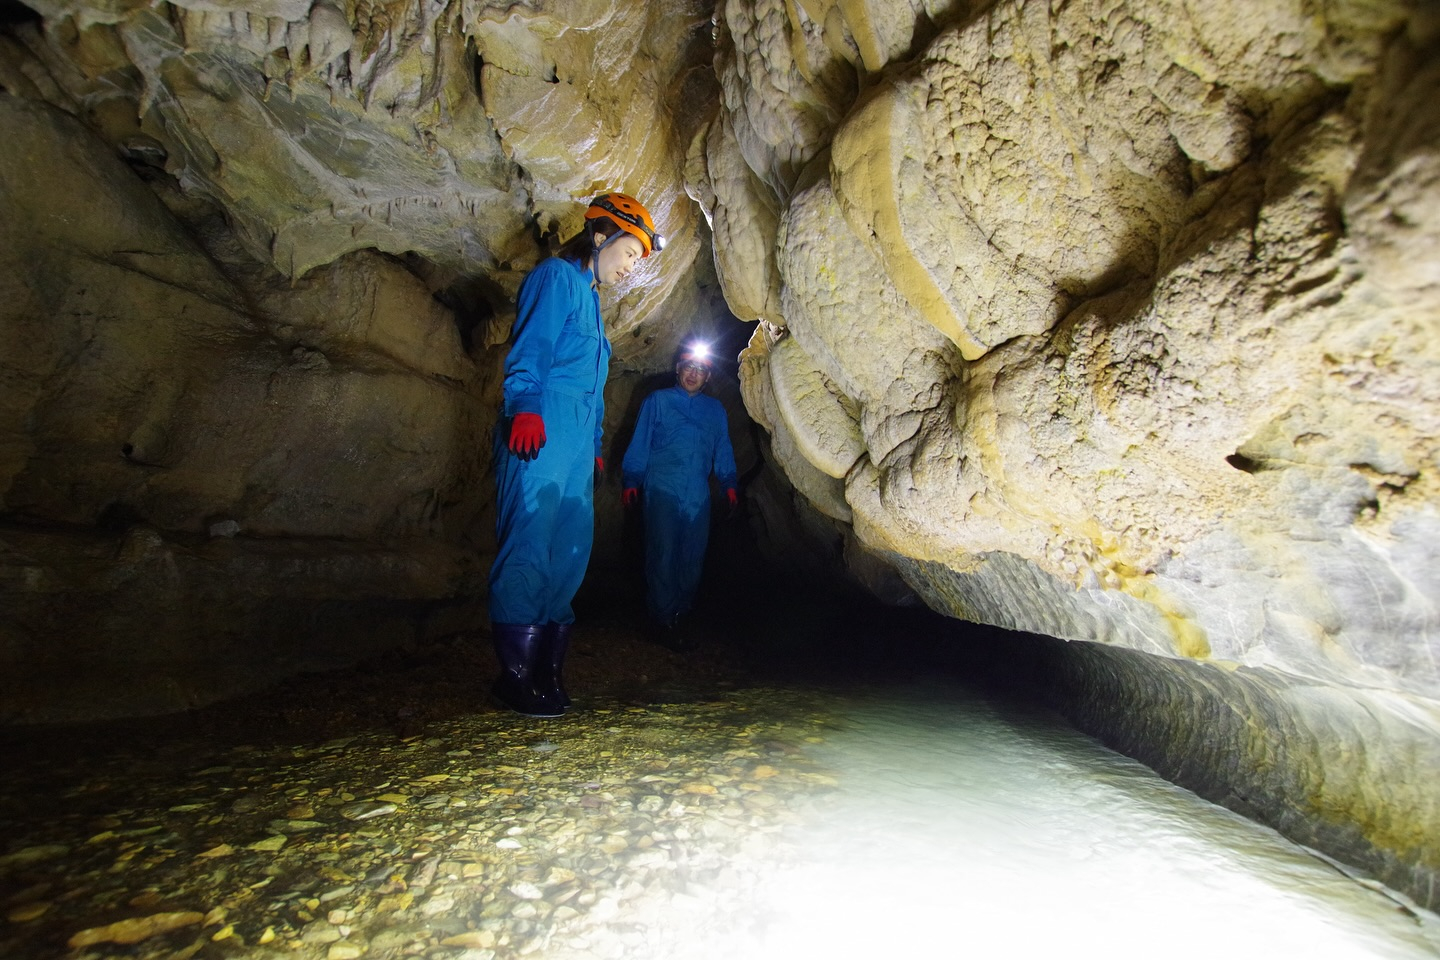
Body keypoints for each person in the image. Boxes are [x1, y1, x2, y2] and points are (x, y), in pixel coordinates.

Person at [489, 192, 665, 717]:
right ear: (600, 234)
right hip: (539, 429)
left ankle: (547, 673)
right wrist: (523, 404)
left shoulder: (591, 305)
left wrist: (591, 448)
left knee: (568, 553)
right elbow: (534, 346)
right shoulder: (556, 278)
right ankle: (515, 678)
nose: (631, 266)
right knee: (529, 545)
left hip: (572, 444)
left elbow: (593, 388)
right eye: (630, 252)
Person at [621, 342, 738, 642]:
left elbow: (723, 448)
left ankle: (680, 614)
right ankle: (662, 619)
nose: (693, 374)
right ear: (678, 369)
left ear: (707, 377)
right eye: (688, 367)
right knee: (663, 553)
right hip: (661, 486)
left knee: (692, 558)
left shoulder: (715, 410)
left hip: (697, 494)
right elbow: (641, 442)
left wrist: (729, 484)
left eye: (700, 370)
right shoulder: (657, 401)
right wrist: (632, 480)